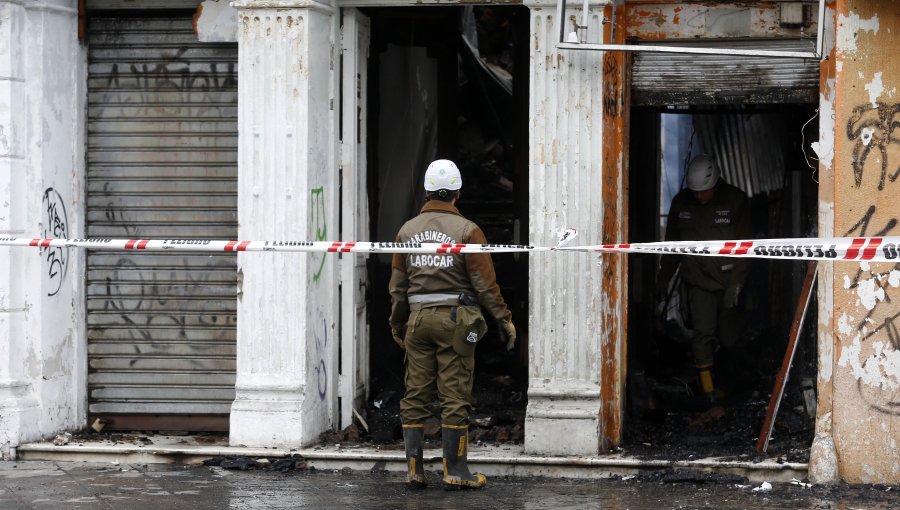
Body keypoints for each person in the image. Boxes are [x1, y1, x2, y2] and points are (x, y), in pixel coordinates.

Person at [388, 159, 516, 491]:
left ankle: (414, 470)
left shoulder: (406, 231)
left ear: (427, 191)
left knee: (415, 393)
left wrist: (397, 322)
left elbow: (398, 287)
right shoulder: (467, 230)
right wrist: (503, 318)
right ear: (457, 194)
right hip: (456, 321)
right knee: (454, 394)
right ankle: (456, 471)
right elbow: (485, 285)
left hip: (417, 321)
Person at [658, 154, 750, 401]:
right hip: (699, 283)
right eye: (695, 192)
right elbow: (672, 250)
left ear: (716, 183)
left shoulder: (736, 201)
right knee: (702, 334)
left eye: (704, 191)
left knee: (730, 338)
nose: (699, 196)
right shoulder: (681, 204)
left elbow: (748, 249)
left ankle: (733, 386)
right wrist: (661, 281)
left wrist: (737, 286)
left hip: (729, 282)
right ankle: (708, 392)